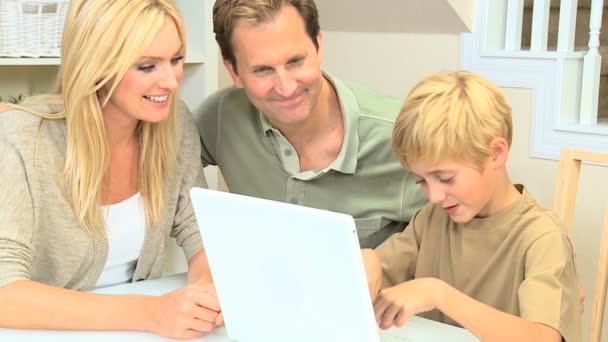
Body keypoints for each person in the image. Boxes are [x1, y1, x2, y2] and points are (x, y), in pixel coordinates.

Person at [0, 0, 222, 338]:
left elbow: (197, 228)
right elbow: (5, 292)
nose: (171, 81)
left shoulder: (174, 124)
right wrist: (149, 312)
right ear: (96, 65)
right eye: (147, 66)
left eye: (175, 60)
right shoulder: (24, 140)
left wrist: (208, 288)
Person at [362, 71, 582, 342]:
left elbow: (544, 337)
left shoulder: (542, 237)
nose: (434, 195)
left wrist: (438, 294)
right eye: (422, 180)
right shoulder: (431, 220)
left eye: (445, 178)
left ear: (495, 154)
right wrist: (367, 260)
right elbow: (372, 280)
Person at [194, 0, 427, 248]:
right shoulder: (222, 116)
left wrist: (385, 263)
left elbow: (467, 231)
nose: (286, 88)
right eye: (263, 70)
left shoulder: (401, 136)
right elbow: (160, 158)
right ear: (233, 71)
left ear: (318, 45)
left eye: (295, 61)